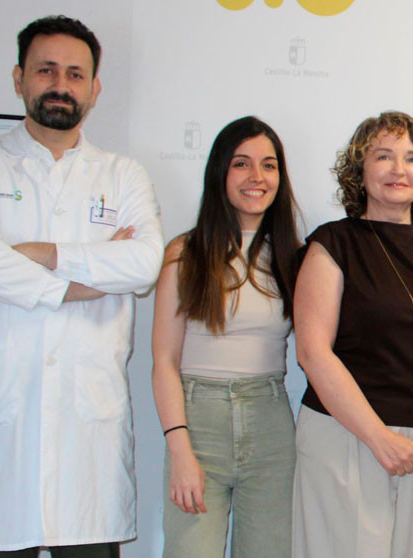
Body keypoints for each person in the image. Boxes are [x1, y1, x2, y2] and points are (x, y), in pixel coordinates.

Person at [0, 15, 163, 557]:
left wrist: (40, 257)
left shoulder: (123, 174)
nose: (61, 85)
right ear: (19, 79)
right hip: (0, 429)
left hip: (88, 435)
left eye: (75, 74)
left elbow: (142, 264)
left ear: (95, 88)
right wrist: (83, 281)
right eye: (46, 70)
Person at [292, 111, 413, 558]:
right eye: (384, 156)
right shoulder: (332, 243)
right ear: (359, 171)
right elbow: (312, 352)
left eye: (412, 158)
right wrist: (378, 438)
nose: (399, 169)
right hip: (348, 439)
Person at [150, 116, 301, 557]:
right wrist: (179, 450)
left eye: (269, 165)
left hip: (271, 422)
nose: (257, 177)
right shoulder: (185, 252)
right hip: (198, 422)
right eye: (242, 164)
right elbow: (163, 360)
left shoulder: (295, 256)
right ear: (220, 172)